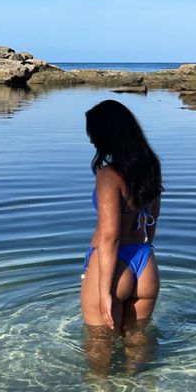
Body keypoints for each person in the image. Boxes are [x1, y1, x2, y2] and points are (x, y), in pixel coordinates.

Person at [80, 99, 163, 333]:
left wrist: (104, 292)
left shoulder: (109, 175)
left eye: (93, 133)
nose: (91, 139)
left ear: (107, 134)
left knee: (99, 349)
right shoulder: (151, 166)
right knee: (138, 346)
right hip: (145, 262)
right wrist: (145, 248)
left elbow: (110, 237)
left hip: (113, 265)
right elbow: (152, 220)